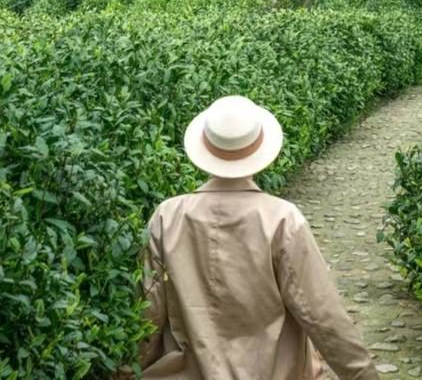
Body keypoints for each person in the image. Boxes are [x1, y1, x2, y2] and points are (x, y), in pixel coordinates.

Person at [133, 94, 381, 380]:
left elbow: (147, 312)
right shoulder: (281, 219)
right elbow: (323, 317)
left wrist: (125, 371)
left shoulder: (167, 217)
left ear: (204, 150)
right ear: (260, 152)